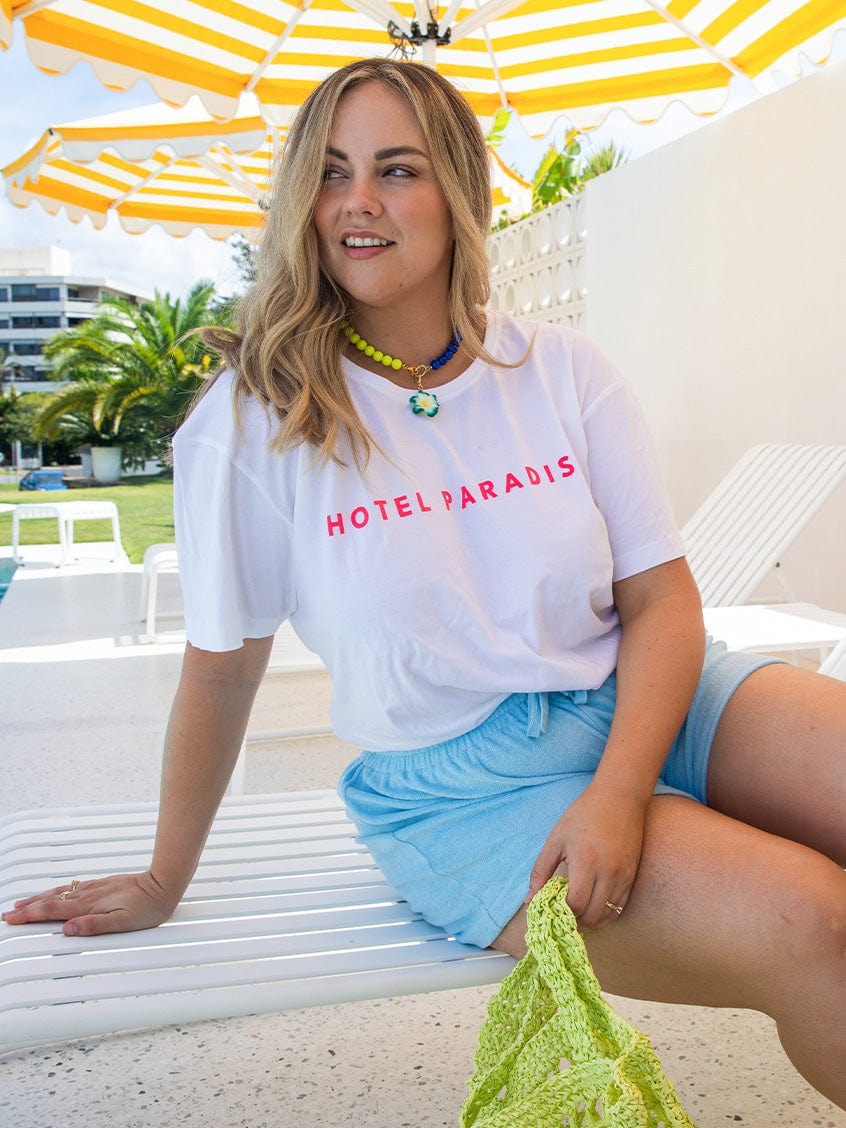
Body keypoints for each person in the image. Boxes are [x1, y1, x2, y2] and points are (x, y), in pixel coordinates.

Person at [4, 58, 845, 1109]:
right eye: (331, 171)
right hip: (464, 790)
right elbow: (221, 676)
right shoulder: (251, 424)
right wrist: (164, 877)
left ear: (460, 191)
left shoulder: (563, 371)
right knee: (815, 922)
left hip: (654, 697)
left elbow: (663, 601)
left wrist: (621, 788)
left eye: (396, 169)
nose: (356, 203)